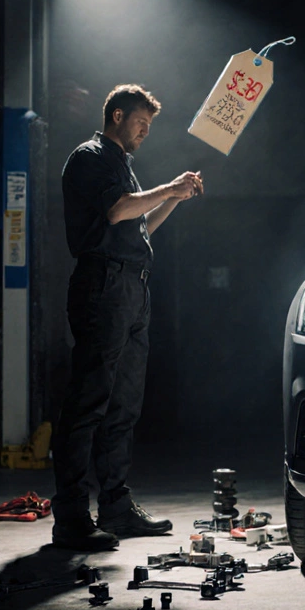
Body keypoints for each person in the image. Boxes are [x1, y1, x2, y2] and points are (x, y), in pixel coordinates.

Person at [50, 84, 204, 551]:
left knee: (124, 405)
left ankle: (115, 507)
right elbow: (118, 211)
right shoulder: (91, 156)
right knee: (89, 400)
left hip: (132, 286)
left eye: (150, 126)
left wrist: (172, 200)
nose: (145, 132)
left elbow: (138, 225)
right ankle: (72, 517)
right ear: (117, 115)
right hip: (104, 286)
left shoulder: (125, 168)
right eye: (141, 122)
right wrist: (169, 187)